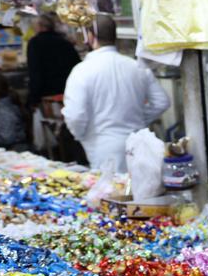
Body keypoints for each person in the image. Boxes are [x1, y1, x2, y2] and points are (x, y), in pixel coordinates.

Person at [62, 15, 170, 173]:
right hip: (139, 143)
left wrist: (82, 135)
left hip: (103, 147)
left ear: (90, 36)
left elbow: (75, 115)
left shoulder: (81, 71)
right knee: (141, 192)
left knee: (111, 193)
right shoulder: (136, 66)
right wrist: (139, 119)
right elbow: (162, 102)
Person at [27, 15, 82, 108]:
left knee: (50, 121)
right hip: (68, 93)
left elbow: (35, 72)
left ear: (40, 27)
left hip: (47, 95)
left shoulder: (35, 43)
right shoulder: (65, 42)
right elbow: (77, 67)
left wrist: (33, 99)